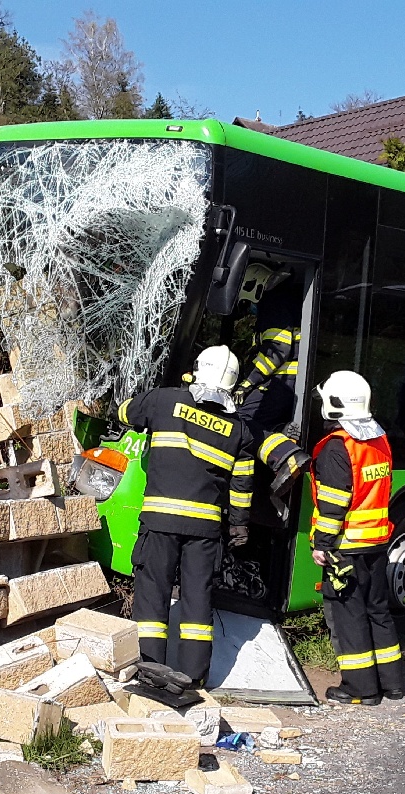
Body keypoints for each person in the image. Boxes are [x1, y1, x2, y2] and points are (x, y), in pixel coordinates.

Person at [118, 346, 259, 686]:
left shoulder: (164, 401)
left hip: (159, 522)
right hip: (205, 529)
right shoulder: (240, 431)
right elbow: (242, 483)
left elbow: (125, 413)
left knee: (153, 594)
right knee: (198, 600)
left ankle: (149, 671)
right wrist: (239, 524)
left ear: (197, 370)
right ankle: (192, 679)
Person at [309, 370, 405, 705]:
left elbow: (334, 504)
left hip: (345, 548)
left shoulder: (337, 448)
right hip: (377, 542)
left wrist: (321, 544)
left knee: (348, 616)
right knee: (377, 610)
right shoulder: (379, 441)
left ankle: (361, 688)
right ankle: (393, 683)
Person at [232, 265, 311, 500]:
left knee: (241, 422)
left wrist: (247, 383)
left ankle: (287, 456)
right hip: (288, 384)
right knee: (260, 423)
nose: (249, 310)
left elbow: (278, 348)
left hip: (281, 382)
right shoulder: (286, 301)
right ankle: (281, 434)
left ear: (253, 284)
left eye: (247, 304)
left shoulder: (273, 301)